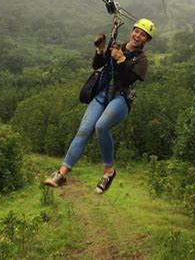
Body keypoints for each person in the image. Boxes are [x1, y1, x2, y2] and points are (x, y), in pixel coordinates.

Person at [45, 18, 155, 194]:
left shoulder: (141, 60)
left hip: (120, 98)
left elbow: (128, 80)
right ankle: (61, 173)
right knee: (84, 130)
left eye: (143, 35)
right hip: (102, 94)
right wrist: (100, 49)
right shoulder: (117, 45)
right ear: (132, 31)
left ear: (147, 40)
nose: (138, 36)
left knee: (101, 126)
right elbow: (97, 65)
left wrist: (121, 61)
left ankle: (108, 172)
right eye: (137, 31)